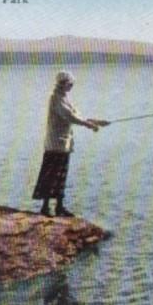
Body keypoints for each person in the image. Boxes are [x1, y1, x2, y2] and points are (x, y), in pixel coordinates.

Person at [33, 71, 109, 217]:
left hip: (63, 144)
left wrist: (96, 121)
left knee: (61, 175)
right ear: (63, 84)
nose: (72, 86)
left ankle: (59, 207)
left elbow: (76, 115)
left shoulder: (63, 97)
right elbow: (69, 116)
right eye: (70, 84)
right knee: (51, 174)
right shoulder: (55, 98)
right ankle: (46, 208)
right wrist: (89, 125)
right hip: (55, 144)